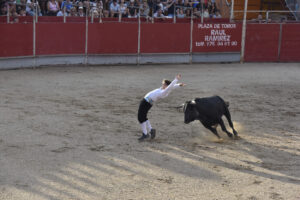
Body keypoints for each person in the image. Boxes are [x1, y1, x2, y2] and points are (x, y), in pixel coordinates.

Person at [137, 74, 185, 141]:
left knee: (140, 117)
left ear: (167, 86)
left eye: (164, 84)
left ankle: (145, 134)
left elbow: (170, 87)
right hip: (147, 102)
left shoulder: (164, 92)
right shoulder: (163, 89)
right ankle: (151, 130)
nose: (163, 85)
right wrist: (179, 85)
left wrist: (176, 79)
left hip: (146, 102)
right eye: (163, 84)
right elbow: (172, 87)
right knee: (143, 117)